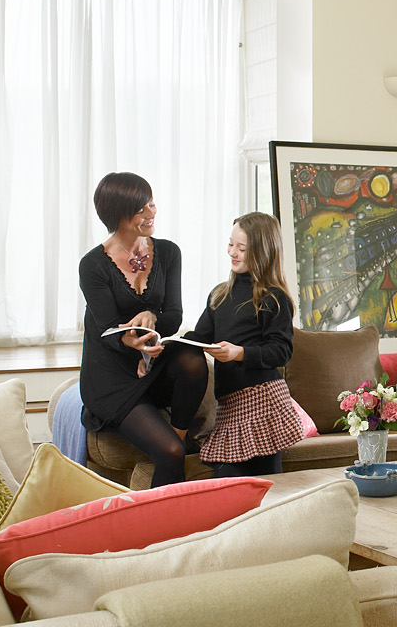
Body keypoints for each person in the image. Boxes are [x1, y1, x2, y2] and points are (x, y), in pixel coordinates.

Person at [78, 172, 208, 487]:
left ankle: (177, 435)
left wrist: (150, 319)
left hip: (152, 360)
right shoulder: (92, 266)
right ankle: (163, 529)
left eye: (151, 204)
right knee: (170, 453)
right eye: (141, 209)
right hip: (112, 375)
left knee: (191, 356)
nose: (151, 213)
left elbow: (173, 316)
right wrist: (134, 344)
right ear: (117, 215)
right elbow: (110, 332)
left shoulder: (169, 252)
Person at [186, 212, 304, 476]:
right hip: (229, 405)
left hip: (263, 401)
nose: (233, 252)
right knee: (226, 480)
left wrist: (239, 353)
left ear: (263, 251)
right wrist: (166, 341)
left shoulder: (274, 298)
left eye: (242, 248)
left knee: (266, 484)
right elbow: (200, 337)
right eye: (230, 244)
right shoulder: (219, 295)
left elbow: (282, 351)